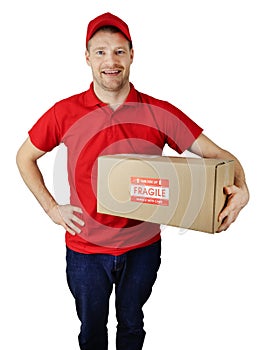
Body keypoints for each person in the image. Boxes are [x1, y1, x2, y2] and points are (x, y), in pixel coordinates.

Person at [16, 12, 249, 350]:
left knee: (132, 325)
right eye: (100, 52)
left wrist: (244, 191)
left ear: (132, 54)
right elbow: (24, 157)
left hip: (142, 248)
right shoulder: (63, 112)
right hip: (85, 249)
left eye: (119, 51)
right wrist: (52, 209)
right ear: (87, 58)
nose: (110, 61)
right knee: (91, 330)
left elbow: (221, 156)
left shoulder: (160, 112)